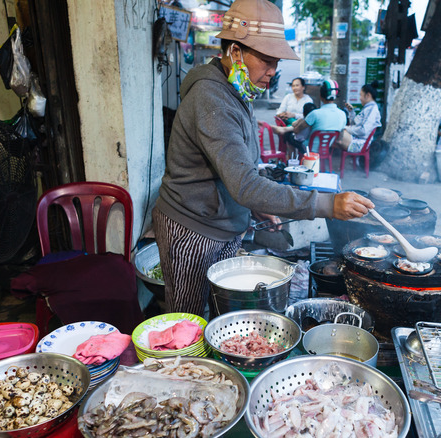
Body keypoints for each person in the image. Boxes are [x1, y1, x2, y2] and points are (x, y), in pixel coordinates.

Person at [151, 0, 374, 316]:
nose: (273, 72)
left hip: (221, 223)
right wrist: (329, 205)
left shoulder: (233, 89)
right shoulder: (211, 99)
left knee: (221, 315)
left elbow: (232, 169)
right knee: (188, 323)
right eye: (267, 61)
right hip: (193, 229)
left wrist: (253, 205)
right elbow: (244, 184)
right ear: (235, 52)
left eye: (276, 62)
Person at [272, 79, 347, 153]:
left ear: (320, 96)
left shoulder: (315, 114)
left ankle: (292, 159)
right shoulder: (343, 114)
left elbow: (296, 130)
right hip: (327, 149)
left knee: (288, 136)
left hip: (309, 148)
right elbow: (339, 139)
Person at [336, 84, 382, 152]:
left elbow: (363, 131)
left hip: (360, 144)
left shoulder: (372, 110)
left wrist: (347, 128)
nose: (360, 98)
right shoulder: (367, 108)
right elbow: (354, 125)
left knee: (336, 132)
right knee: (335, 134)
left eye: (361, 95)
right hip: (356, 139)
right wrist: (351, 112)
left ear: (367, 95)